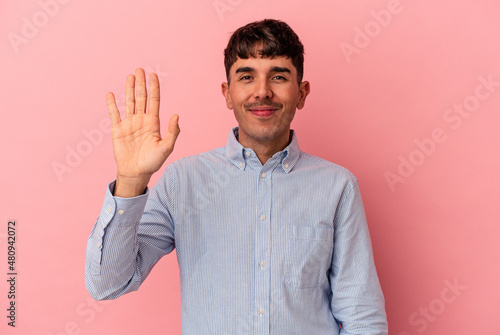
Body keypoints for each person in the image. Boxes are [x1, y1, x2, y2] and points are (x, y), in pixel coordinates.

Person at [85, 19, 388, 334]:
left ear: (301, 93)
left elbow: (362, 317)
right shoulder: (183, 181)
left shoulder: (337, 186)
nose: (262, 91)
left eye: (279, 76)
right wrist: (130, 181)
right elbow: (107, 284)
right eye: (247, 76)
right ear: (227, 94)